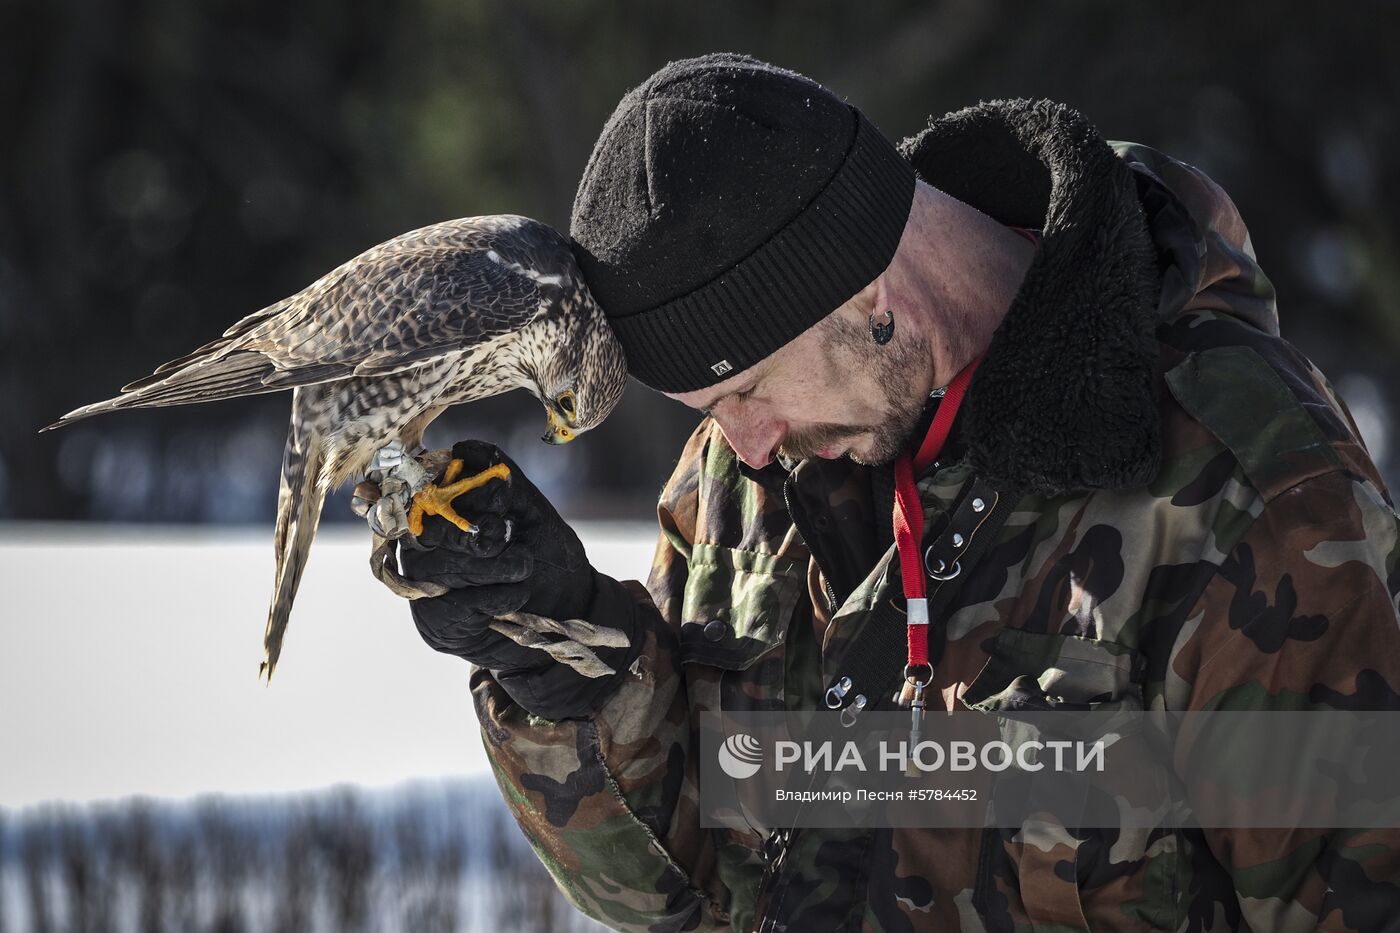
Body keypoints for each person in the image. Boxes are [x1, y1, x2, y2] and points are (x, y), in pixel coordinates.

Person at [390, 54, 1400, 931]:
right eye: (705, 408)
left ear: (870, 294)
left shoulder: (1245, 492)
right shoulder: (753, 473)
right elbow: (682, 888)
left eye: (742, 392)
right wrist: (570, 667)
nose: (736, 445)